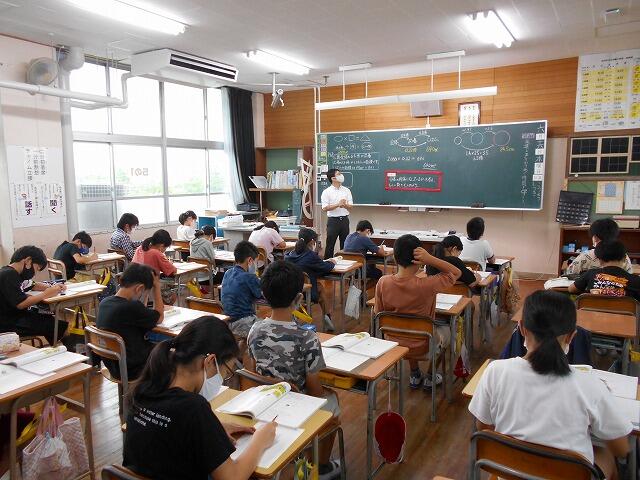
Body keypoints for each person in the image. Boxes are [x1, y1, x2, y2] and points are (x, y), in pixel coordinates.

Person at [468, 290, 631, 479]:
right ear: (571, 336)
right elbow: (621, 449)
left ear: (521, 328)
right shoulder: (590, 384)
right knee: (608, 456)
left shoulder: (495, 371)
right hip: (567, 473)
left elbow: (483, 427)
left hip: (509, 471)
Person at [123, 317, 276, 480]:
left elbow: (168, 434)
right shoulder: (193, 407)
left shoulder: (145, 387)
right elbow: (232, 477)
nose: (222, 378)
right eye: (225, 373)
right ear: (210, 362)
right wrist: (260, 441)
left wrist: (212, 430)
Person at [248, 261, 342, 480]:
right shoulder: (307, 337)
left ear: (264, 295)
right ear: (299, 299)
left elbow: (252, 369)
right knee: (333, 401)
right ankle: (319, 466)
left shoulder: (255, 328)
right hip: (295, 404)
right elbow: (315, 390)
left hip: (263, 401)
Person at [374, 234, 461, 390]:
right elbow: (456, 273)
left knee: (407, 327)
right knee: (448, 329)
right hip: (423, 345)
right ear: (419, 261)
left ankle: (414, 374)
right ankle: (430, 376)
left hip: (393, 343)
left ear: (395, 257)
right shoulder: (426, 285)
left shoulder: (382, 282)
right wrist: (430, 259)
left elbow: (378, 313)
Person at [96, 263, 164, 380]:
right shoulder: (131, 307)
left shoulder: (105, 303)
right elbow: (159, 317)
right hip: (133, 368)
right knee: (170, 351)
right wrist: (157, 287)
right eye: (144, 292)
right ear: (139, 289)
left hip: (113, 365)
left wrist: (144, 294)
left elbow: (140, 311)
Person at [0, 245, 67, 345]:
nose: (34, 273)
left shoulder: (12, 272)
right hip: (8, 323)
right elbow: (21, 303)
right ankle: (65, 349)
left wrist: (51, 287)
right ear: (28, 261)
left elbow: (32, 285)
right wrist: (46, 294)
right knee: (55, 325)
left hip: (13, 317)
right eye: (36, 268)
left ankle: (58, 347)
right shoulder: (9, 275)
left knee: (49, 319)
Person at [286, 227, 337, 331]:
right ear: (313, 242)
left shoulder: (289, 255)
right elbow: (326, 268)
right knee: (319, 288)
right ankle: (327, 316)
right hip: (306, 292)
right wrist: (332, 262)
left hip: (289, 291)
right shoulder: (310, 256)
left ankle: (299, 315)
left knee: (319, 287)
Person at [568, 240, 640, 301]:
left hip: (591, 315)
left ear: (600, 260)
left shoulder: (590, 274)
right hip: (624, 317)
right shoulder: (636, 280)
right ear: (624, 258)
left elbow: (571, 289)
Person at [220, 241, 262, 338]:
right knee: (270, 328)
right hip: (244, 322)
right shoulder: (249, 277)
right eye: (256, 262)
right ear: (250, 260)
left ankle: (239, 352)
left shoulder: (228, 273)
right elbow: (260, 294)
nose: (256, 266)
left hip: (227, 320)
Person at [566, 217, 633, 275]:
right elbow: (629, 276)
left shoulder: (586, 256)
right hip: (617, 289)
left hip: (587, 289)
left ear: (595, 237)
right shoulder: (624, 257)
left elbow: (569, 274)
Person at [132, 229, 177, 305]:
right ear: (162, 245)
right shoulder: (156, 253)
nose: (164, 251)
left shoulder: (141, 247)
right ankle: (166, 307)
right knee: (172, 289)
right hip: (148, 283)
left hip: (134, 281)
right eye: (165, 248)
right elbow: (173, 270)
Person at [321, 168, 353, 259]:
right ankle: (327, 266)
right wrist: (338, 204)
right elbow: (325, 208)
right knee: (330, 245)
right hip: (333, 221)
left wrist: (345, 205)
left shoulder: (346, 190)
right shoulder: (326, 192)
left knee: (345, 245)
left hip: (344, 220)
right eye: (339, 174)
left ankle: (346, 266)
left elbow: (351, 207)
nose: (341, 175)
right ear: (333, 178)